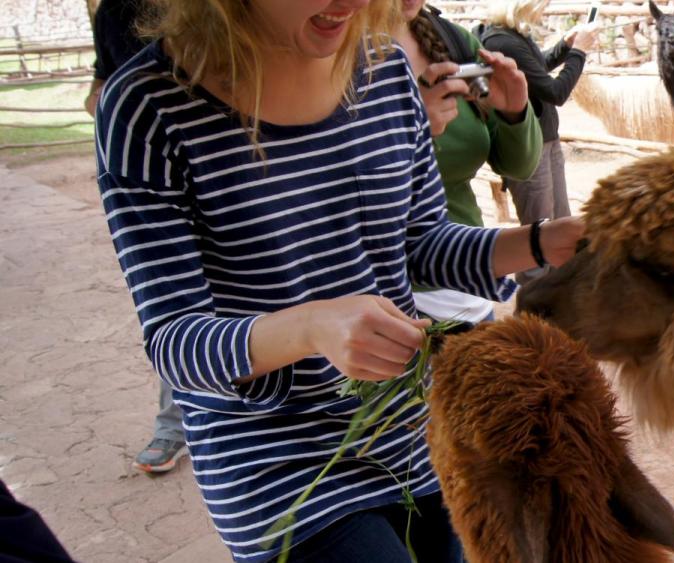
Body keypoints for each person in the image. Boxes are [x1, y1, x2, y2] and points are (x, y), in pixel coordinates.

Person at [93, 1, 583, 561]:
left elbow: (421, 245)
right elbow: (175, 343)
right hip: (276, 464)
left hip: (410, 432)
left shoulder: (387, 73)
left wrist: (543, 241)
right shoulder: (150, 108)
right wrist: (309, 329)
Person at [86, 0, 188, 474]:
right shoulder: (115, 13)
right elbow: (100, 89)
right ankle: (173, 425)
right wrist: (118, 114)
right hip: (161, 179)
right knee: (177, 303)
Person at [396, 0, 544, 323]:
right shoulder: (323, 58)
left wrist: (515, 112)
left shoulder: (454, 42)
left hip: (468, 279)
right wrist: (412, 128)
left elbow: (519, 166)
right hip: (385, 302)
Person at [480, 0, 599, 284]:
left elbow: (537, 68)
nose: (543, 11)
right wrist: (579, 51)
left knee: (559, 221)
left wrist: (565, 45)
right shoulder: (501, 40)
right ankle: (533, 302)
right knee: (537, 233)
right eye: (541, 5)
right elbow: (555, 91)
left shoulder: (513, 35)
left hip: (546, 139)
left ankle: (557, 295)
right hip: (527, 147)